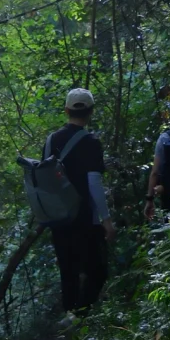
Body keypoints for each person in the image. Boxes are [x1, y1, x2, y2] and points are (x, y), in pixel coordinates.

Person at [45, 87, 115, 314]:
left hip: (57, 215)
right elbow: (94, 183)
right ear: (91, 111)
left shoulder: (50, 141)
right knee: (98, 270)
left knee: (68, 269)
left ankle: (70, 318)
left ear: (66, 110)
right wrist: (106, 219)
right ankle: (81, 316)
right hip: (84, 216)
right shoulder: (91, 143)